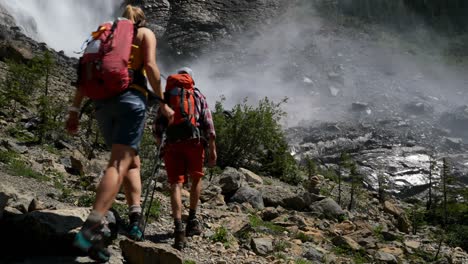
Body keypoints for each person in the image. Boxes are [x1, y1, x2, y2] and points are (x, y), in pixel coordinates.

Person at [65, 5, 174, 262]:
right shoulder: (144, 33)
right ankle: (92, 226)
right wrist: (163, 102)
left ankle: (129, 218)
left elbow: (85, 73)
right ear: (142, 20)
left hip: (102, 104)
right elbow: (150, 66)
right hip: (130, 99)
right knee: (118, 163)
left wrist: (74, 110)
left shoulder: (105, 34)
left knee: (129, 160)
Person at [153, 67, 217, 250]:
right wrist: (212, 149)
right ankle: (193, 219)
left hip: (173, 143)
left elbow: (157, 126)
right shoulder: (197, 95)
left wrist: (162, 147)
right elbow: (208, 124)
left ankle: (178, 227)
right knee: (196, 178)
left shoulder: (167, 96)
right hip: (194, 142)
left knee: (176, 184)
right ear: (191, 79)